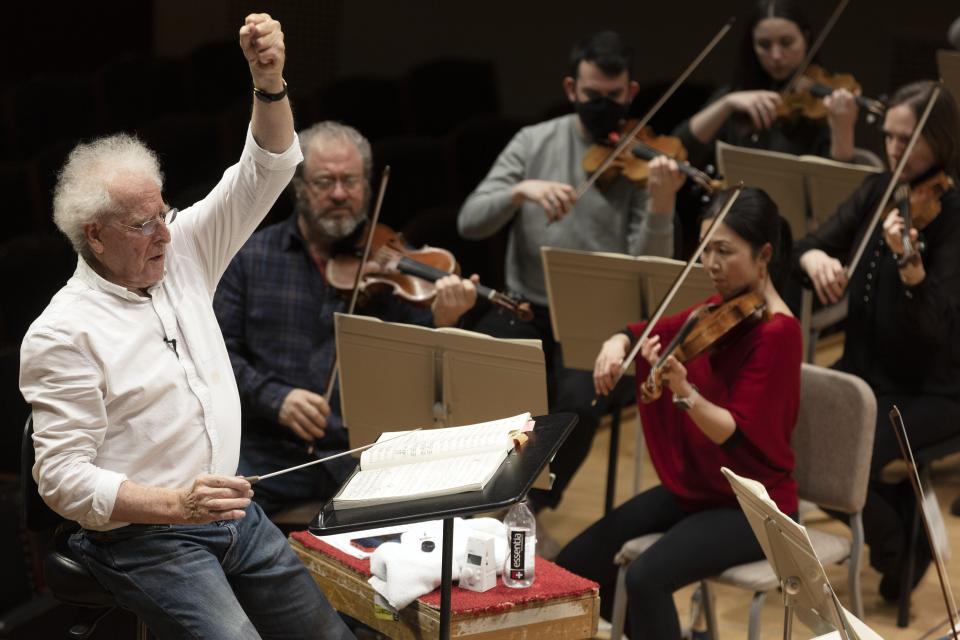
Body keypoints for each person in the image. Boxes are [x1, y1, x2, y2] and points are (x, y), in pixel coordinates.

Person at [19, 14, 354, 640]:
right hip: (146, 540)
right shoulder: (61, 334)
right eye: (143, 224)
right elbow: (62, 480)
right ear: (94, 234)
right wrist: (178, 505)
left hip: (233, 513)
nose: (166, 233)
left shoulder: (183, 253)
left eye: (164, 212)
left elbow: (269, 168)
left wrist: (269, 80)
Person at [457, 30, 683, 522]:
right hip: (525, 308)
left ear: (631, 93)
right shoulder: (534, 142)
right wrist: (521, 190)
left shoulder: (643, 160)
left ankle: (530, 504)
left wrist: (662, 205)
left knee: (581, 398)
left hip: (598, 323)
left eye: (613, 97)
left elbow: (651, 269)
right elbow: (470, 220)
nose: (602, 106)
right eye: (591, 96)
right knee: (471, 361)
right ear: (570, 89)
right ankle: (472, 493)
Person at [556, 188, 801, 640]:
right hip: (699, 490)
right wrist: (617, 345)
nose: (710, 262)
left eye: (724, 251)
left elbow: (734, 431)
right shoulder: (716, 310)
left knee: (646, 577)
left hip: (754, 505)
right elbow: (643, 331)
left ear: (764, 254)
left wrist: (684, 390)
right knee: (578, 564)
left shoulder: (778, 333)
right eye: (705, 247)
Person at [214, 120, 478, 515]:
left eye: (351, 181)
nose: (340, 194)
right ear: (299, 188)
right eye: (324, 182)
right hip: (270, 451)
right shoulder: (250, 258)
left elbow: (422, 374)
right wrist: (276, 398)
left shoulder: (391, 267)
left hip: (364, 453)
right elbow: (217, 356)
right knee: (219, 516)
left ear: (368, 187)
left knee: (440, 522)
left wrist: (444, 321)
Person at [793, 79, 960, 601]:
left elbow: (936, 328)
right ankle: (903, 520)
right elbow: (809, 244)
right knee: (788, 441)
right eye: (887, 136)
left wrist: (909, 262)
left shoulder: (953, 215)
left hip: (932, 387)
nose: (893, 150)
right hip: (864, 371)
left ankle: (901, 548)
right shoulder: (877, 190)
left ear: (940, 141)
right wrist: (814, 259)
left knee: (850, 462)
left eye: (907, 140)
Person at [674, 0, 860, 169]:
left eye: (786, 42)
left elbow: (840, 193)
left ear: (806, 39)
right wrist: (726, 103)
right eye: (764, 45)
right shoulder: (736, 97)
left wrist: (843, 128)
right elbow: (678, 151)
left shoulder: (826, 102)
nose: (776, 56)